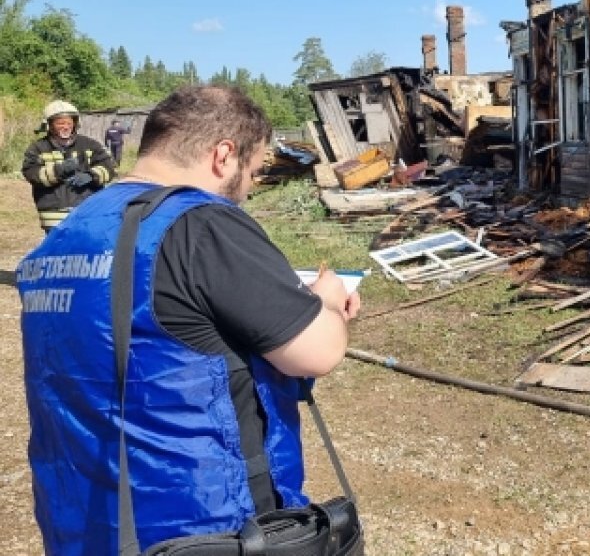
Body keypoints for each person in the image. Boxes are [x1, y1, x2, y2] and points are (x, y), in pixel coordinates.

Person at [16, 85, 361, 555]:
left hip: (88, 517)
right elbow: (316, 352)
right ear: (224, 155)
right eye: (253, 171)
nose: (247, 191)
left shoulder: (68, 232)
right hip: (200, 523)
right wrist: (326, 300)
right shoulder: (201, 224)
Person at [22, 99, 118, 231]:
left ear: (75, 124)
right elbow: (31, 173)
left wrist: (91, 176)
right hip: (53, 215)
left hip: (87, 211)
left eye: (69, 123)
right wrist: (59, 170)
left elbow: (109, 167)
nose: (65, 127)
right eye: (60, 123)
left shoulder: (90, 145)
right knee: (59, 250)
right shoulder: (38, 148)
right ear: (49, 125)